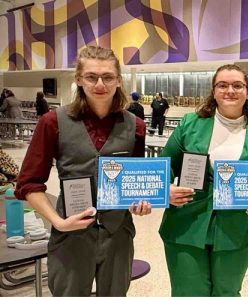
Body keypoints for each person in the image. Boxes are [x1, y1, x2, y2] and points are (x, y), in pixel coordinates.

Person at [15, 46, 151, 296]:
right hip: (70, 233)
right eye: (91, 76)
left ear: (118, 80)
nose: (100, 84)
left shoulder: (136, 127)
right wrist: (58, 222)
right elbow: (28, 184)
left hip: (117, 233)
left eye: (108, 77)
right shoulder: (53, 122)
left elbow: (134, 183)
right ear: (79, 79)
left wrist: (139, 203)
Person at [159, 64, 248, 296]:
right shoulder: (189, 124)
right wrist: (165, 191)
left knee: (228, 292)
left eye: (237, 85)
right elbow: (163, 168)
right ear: (213, 91)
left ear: (247, 91)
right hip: (186, 224)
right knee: (187, 291)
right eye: (222, 85)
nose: (230, 91)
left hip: (238, 229)